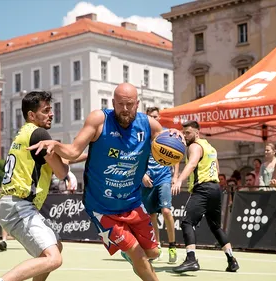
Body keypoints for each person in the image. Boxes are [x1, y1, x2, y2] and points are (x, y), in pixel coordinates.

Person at [29, 83, 182, 281]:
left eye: (129, 104)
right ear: (113, 103)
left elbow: (166, 139)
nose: (125, 109)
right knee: (139, 255)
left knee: (153, 253)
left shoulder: (148, 124)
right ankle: (132, 255)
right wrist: (57, 145)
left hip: (132, 202)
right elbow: (74, 151)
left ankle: (130, 254)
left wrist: (175, 135)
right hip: (101, 207)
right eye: (120, 104)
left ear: (137, 104)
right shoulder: (99, 120)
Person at [0, 91, 69, 281]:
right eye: (46, 111)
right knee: (54, 258)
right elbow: (61, 172)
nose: (51, 114)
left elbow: (63, 160)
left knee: (55, 247)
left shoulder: (26, 133)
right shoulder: (40, 134)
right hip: (19, 205)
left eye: (51, 110)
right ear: (31, 115)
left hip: (13, 204)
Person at [171, 120, 239, 273]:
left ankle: (191, 259)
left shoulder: (195, 146)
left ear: (197, 133)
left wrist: (179, 180)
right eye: (183, 133)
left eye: (187, 133)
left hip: (203, 188)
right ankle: (232, 260)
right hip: (215, 188)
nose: (185, 136)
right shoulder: (211, 148)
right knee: (215, 226)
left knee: (187, 222)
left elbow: (192, 164)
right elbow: (217, 168)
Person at [141, 107, 179, 263]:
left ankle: (172, 245)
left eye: (155, 116)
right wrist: (142, 175)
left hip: (163, 177)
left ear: (159, 117)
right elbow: (136, 158)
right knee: (151, 215)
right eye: (150, 117)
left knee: (166, 211)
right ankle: (157, 246)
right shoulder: (143, 136)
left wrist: (176, 177)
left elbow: (177, 155)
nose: (153, 119)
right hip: (147, 179)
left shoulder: (167, 134)